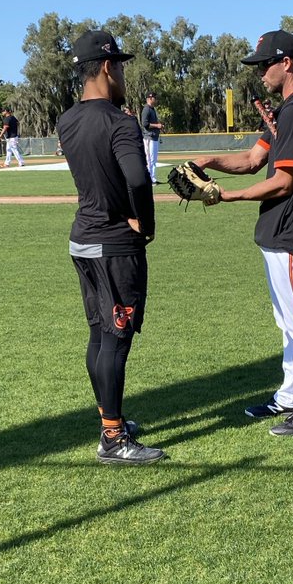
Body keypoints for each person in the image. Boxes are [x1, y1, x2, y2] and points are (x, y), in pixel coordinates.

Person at [197, 30, 293, 437]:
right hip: (279, 228)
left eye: (264, 65)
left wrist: (227, 197)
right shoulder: (285, 111)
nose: (259, 74)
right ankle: (290, 396)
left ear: (286, 63)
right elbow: (253, 160)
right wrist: (209, 161)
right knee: (287, 319)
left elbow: (284, 181)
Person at [57, 29, 165, 465]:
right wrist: (146, 224)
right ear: (106, 66)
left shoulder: (66, 120)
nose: (122, 73)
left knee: (99, 334)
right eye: (119, 65)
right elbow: (138, 179)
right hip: (116, 244)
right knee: (116, 339)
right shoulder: (120, 122)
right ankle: (113, 437)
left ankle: (110, 418)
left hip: (82, 239)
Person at [141, 92, 163, 184]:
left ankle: (152, 178)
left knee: (153, 159)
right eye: (154, 98)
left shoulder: (152, 109)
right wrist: (157, 125)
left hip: (154, 137)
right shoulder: (146, 109)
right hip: (149, 137)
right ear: (150, 98)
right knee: (149, 159)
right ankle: (150, 179)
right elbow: (145, 123)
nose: (156, 99)